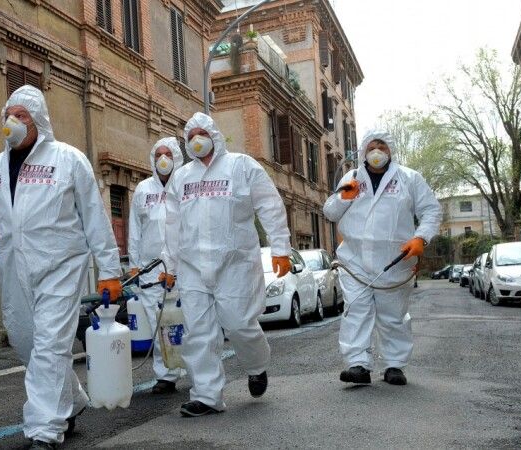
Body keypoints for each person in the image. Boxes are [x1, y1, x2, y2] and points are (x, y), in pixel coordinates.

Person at [0, 85, 122, 449]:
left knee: (49, 345)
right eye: (8, 115)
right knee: (27, 342)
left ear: (39, 120)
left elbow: (95, 218)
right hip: (13, 268)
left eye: (21, 115)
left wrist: (110, 270)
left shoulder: (69, 160)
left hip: (60, 267)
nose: (12, 122)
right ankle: (72, 401)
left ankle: (44, 431)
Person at [160, 112, 292, 417]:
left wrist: (281, 248)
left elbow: (269, 205)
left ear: (214, 136)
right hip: (193, 267)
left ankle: (257, 366)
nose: (196, 139)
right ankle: (206, 396)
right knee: (198, 332)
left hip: (235, 264)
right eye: (190, 135)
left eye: (201, 133)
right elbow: (171, 224)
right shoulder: (181, 177)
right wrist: (170, 265)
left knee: (240, 324)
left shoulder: (241, 166)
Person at [323, 131, 441, 386]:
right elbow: (330, 213)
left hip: (395, 260)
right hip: (354, 259)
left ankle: (394, 365)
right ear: (364, 152)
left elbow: (431, 210)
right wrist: (344, 197)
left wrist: (421, 237)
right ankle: (358, 364)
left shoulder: (409, 178)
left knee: (393, 315)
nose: (377, 152)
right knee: (356, 311)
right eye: (372, 147)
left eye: (382, 147)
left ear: (391, 151)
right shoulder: (352, 178)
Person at [127, 137, 186, 394]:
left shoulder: (184, 185)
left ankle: (197, 370)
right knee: (158, 323)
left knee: (188, 323)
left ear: (176, 158)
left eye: (168, 154)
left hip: (182, 268)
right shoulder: (143, 189)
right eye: (159, 154)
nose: (163, 159)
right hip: (151, 271)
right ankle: (166, 376)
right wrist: (134, 265)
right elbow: (135, 230)